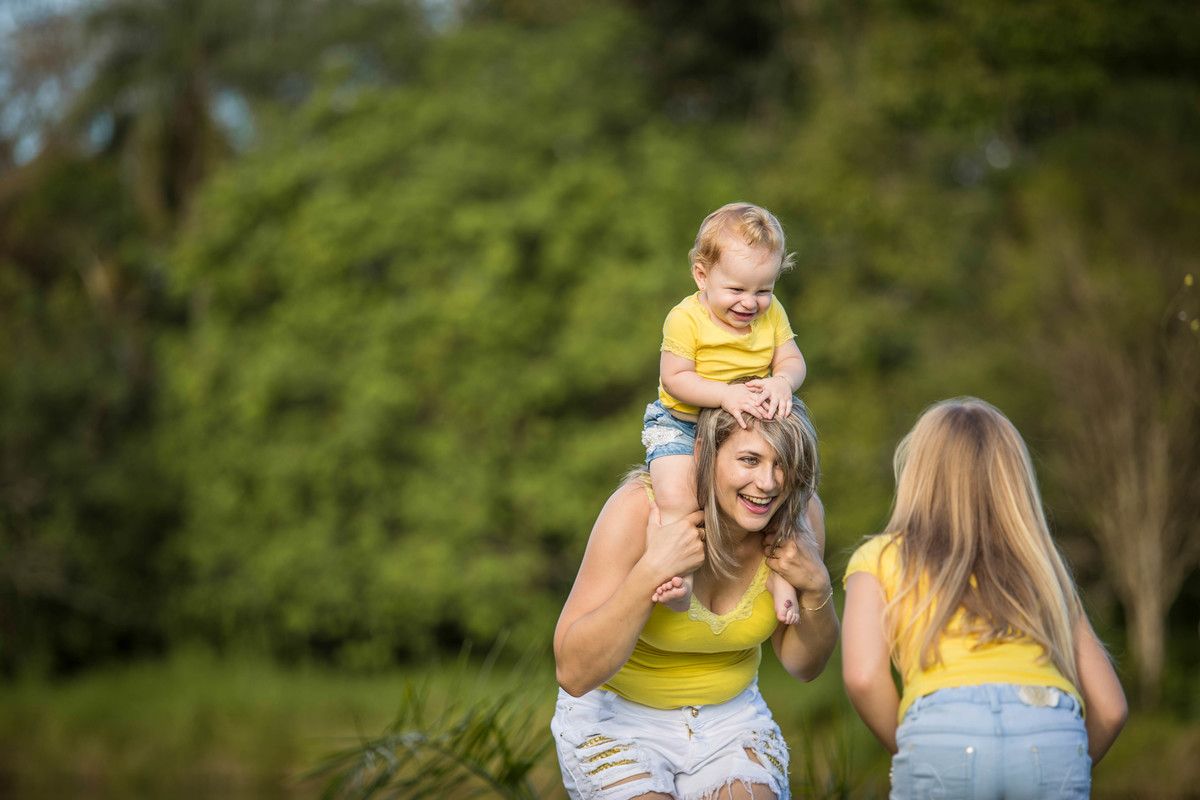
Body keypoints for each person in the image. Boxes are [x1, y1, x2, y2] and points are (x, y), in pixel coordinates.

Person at [841, 397, 1128, 799]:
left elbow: (863, 677)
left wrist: (914, 746)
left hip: (942, 731)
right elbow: (1111, 709)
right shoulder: (1041, 568)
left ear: (917, 473)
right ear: (1012, 481)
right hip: (1050, 727)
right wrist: (1063, 763)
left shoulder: (880, 557)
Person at [553, 399, 839, 800]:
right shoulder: (638, 508)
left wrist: (818, 588)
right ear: (704, 453)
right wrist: (653, 570)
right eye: (750, 459)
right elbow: (573, 673)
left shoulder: (801, 518)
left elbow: (803, 666)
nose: (768, 483)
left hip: (731, 720)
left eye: (783, 464)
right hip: (617, 717)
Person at [642, 202, 808, 626]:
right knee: (677, 497)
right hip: (682, 422)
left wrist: (782, 382)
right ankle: (677, 578)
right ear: (702, 275)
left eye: (763, 290)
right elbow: (675, 378)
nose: (750, 303)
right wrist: (724, 394)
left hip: (747, 423)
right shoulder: (686, 319)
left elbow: (793, 360)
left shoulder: (773, 313)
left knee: (784, 493)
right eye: (736, 290)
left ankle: (781, 576)